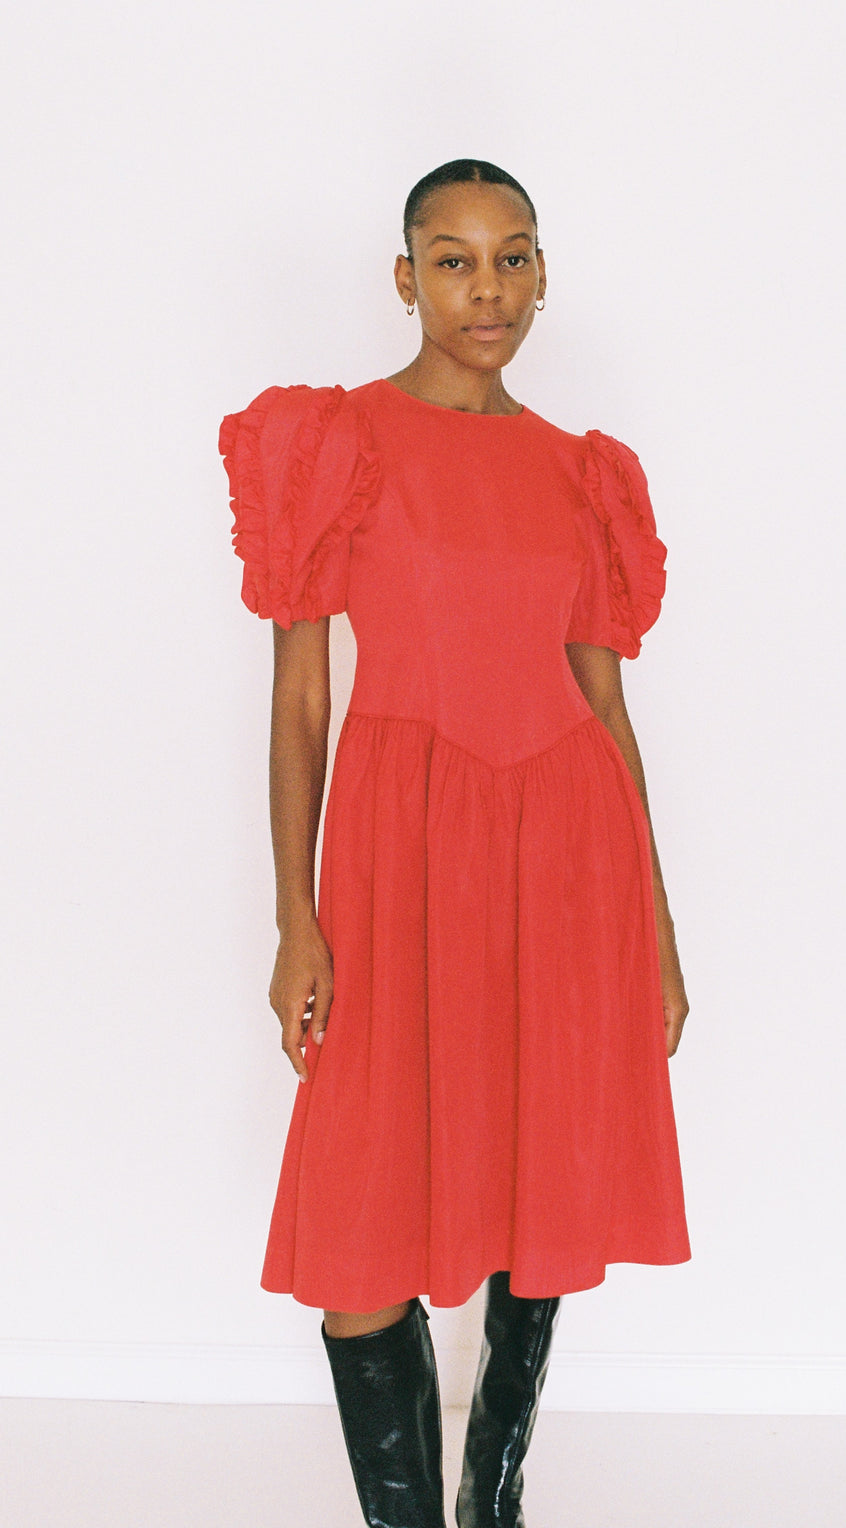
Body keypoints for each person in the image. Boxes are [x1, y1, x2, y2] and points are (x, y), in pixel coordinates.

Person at [219, 158, 691, 1528]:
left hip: (564, 844)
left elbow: (606, 702)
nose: (485, 290)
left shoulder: (581, 472)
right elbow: (302, 694)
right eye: (453, 259)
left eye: (511, 258)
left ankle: (494, 1477)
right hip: (398, 843)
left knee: (542, 1153)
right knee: (367, 1191)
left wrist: (655, 925)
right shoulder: (336, 443)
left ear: (545, 273)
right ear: (405, 277)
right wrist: (296, 916)